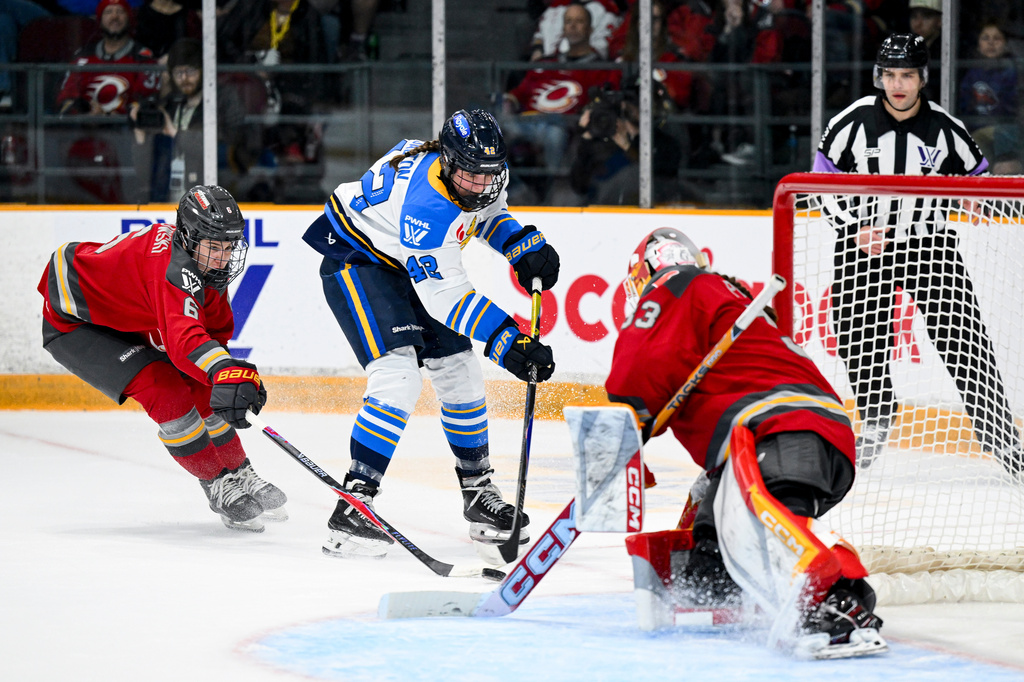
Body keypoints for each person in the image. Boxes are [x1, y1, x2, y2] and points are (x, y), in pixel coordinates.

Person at [605, 228, 885, 655]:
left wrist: (621, 438)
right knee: (711, 556)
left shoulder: (675, 283)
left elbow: (638, 369)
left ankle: (842, 601)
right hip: (803, 433)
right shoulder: (729, 300)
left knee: (769, 537)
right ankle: (732, 584)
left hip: (779, 428)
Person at [301, 109, 559, 562]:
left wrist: (522, 246)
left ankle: (478, 492)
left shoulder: (476, 169)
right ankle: (354, 504)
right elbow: (447, 298)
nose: (481, 185)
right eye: (472, 176)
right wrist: (507, 341)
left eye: (488, 175)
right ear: (448, 161)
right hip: (359, 260)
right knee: (398, 376)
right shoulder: (426, 206)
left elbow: (486, 213)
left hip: (403, 258)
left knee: (460, 372)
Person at [813, 33, 1024, 477]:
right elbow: (819, 182)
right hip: (863, 247)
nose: (898, 84)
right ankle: (875, 412)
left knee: (966, 345)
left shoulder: (946, 128)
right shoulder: (850, 123)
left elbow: (978, 176)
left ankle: (1002, 439)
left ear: (922, 78)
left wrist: (979, 194)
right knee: (855, 335)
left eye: (907, 74)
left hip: (929, 247)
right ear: (879, 76)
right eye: (890, 74)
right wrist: (853, 230)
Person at [36, 185, 287, 532]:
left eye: (229, 247)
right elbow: (184, 341)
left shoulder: (205, 266)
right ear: (189, 237)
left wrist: (226, 374)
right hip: (76, 322)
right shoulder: (171, 269)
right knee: (165, 389)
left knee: (203, 385)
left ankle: (239, 471)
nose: (223, 257)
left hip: (128, 315)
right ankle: (216, 483)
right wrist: (223, 369)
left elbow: (211, 338)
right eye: (215, 247)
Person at [502, 1, 621, 189]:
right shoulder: (547, 64)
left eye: (579, 21)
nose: (573, 26)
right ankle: (501, 190)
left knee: (554, 136)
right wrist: (508, 101)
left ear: (590, 29)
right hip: (525, 123)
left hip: (560, 125)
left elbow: (600, 99)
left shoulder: (599, 69)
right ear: (563, 28)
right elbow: (521, 92)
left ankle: (552, 188)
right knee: (490, 125)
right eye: (569, 22)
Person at [148, 38, 254, 202]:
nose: (184, 78)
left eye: (190, 71)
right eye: (178, 73)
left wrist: (176, 134)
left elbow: (228, 144)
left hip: (212, 197)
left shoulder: (224, 98)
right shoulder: (171, 102)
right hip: (171, 195)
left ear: (203, 70)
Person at [56, 0, 159, 116]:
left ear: (129, 19)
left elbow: (148, 101)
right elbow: (65, 100)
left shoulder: (142, 57)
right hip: (83, 129)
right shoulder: (83, 57)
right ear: (99, 21)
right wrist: (85, 114)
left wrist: (111, 116)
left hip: (125, 130)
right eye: (108, 12)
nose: (114, 16)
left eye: (120, 11)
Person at [957, 21, 1021, 175]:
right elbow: (965, 106)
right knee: (976, 168)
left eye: (996, 38)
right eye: (985, 38)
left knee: (1005, 169)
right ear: (978, 44)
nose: (991, 42)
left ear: (1006, 45)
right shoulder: (971, 74)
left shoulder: (1014, 72)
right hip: (979, 130)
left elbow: (1015, 107)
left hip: (1007, 130)